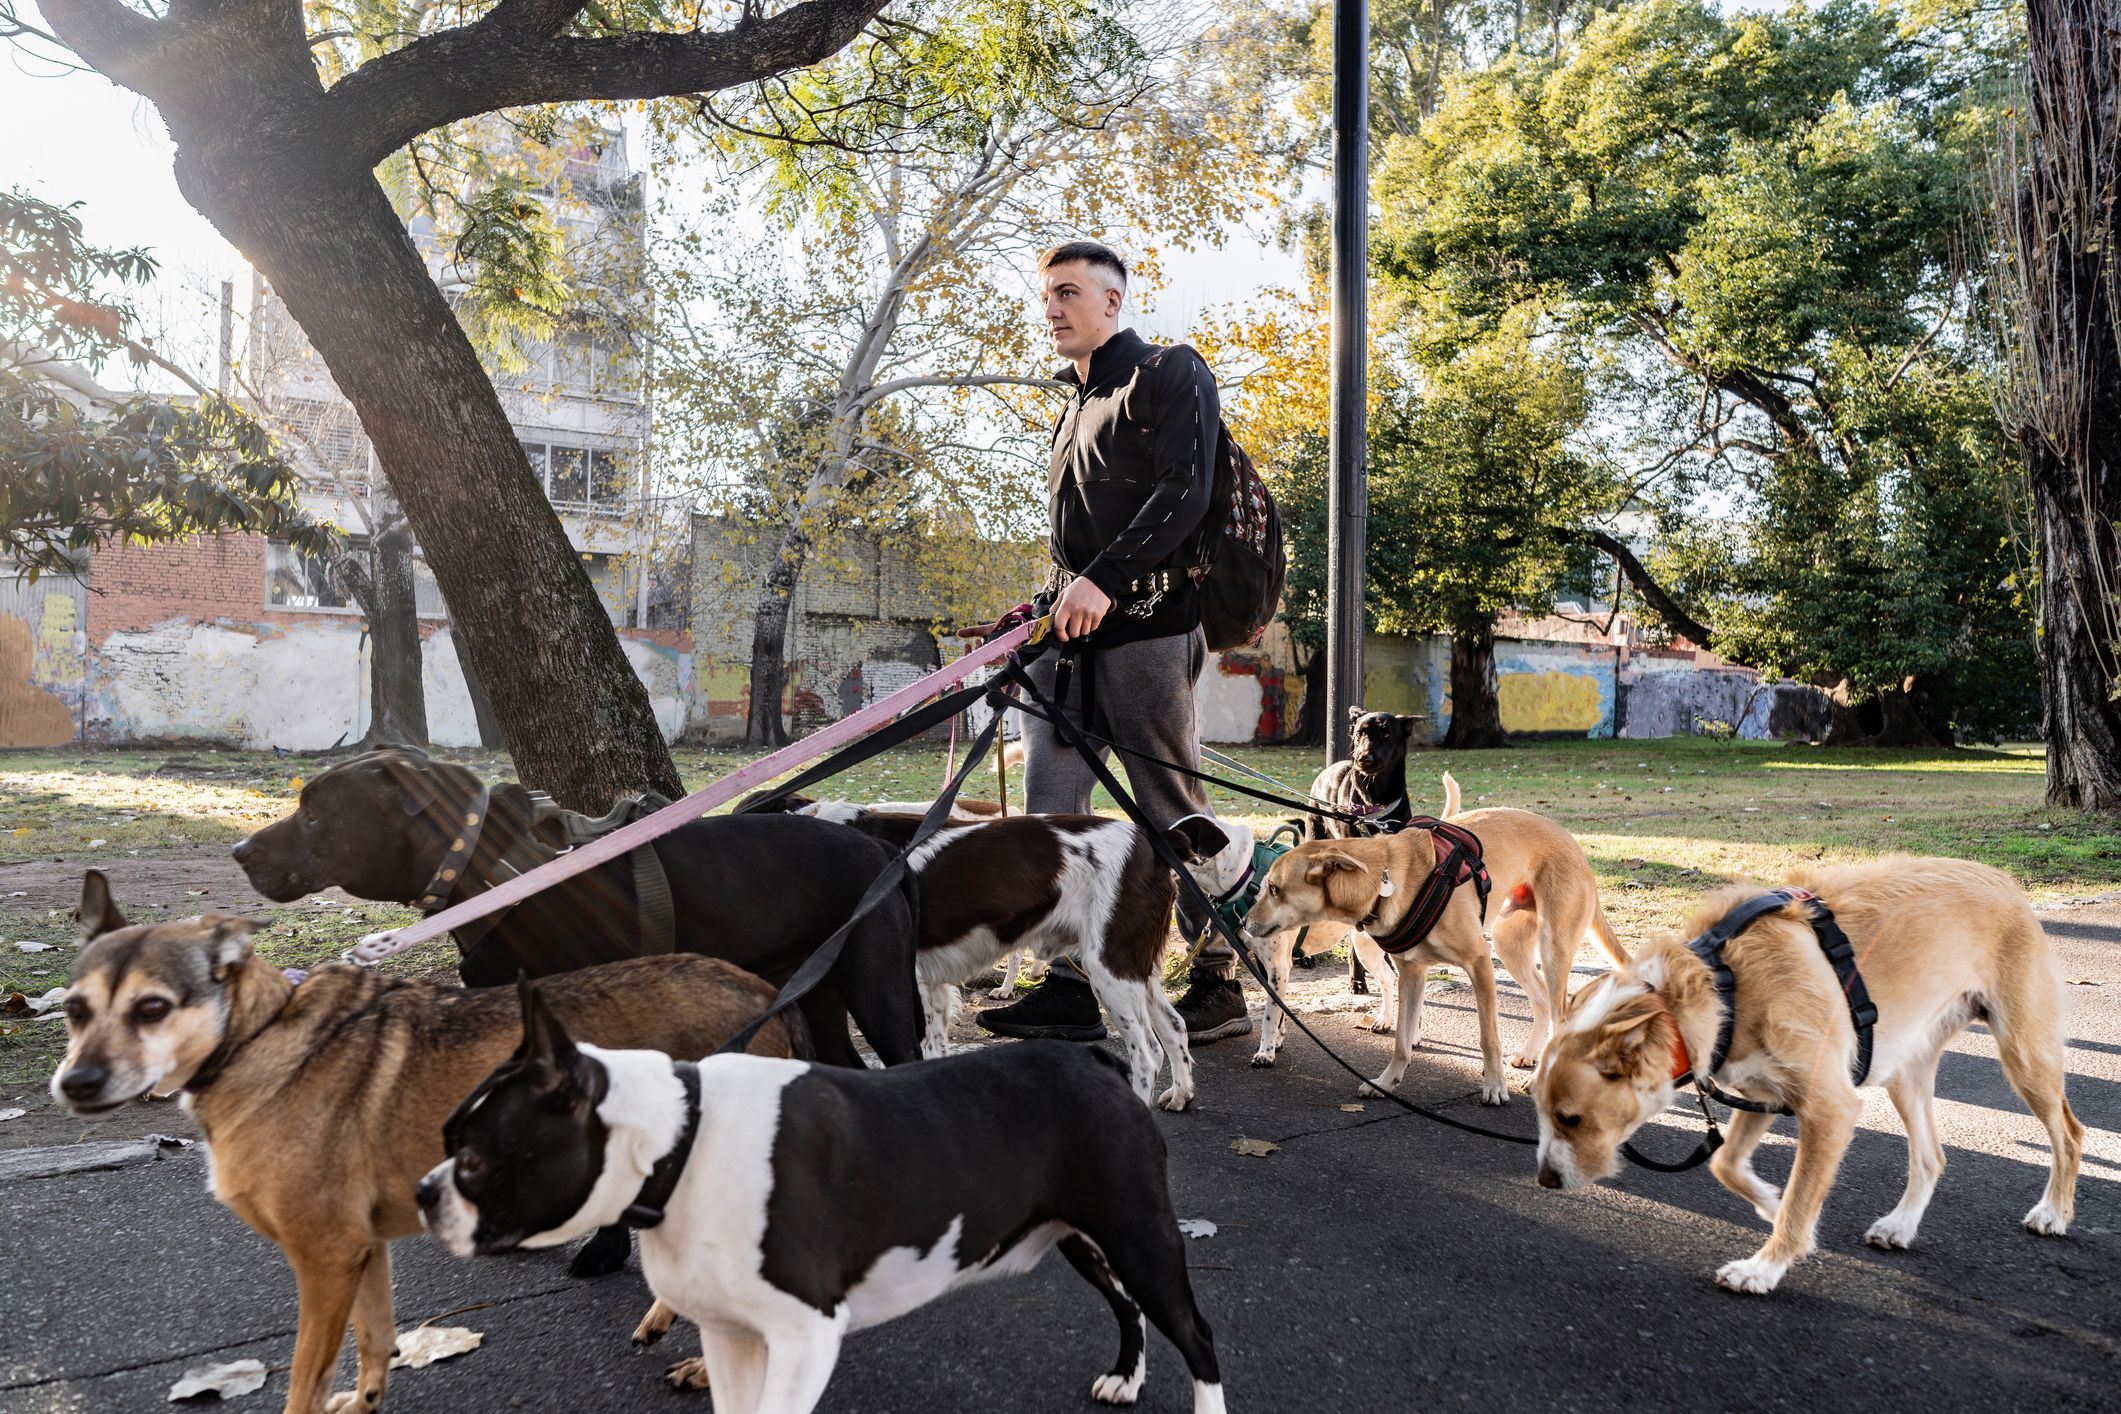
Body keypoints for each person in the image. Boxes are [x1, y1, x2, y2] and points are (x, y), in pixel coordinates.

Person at [977, 239, 1251, 1045]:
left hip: (1151, 631)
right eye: (1047, 296)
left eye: (1068, 292)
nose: (1053, 308)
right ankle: (1066, 982)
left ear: (1112, 302)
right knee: (1050, 811)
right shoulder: (1072, 402)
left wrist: (1104, 579)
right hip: (1070, 644)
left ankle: (1219, 977)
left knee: (1172, 812)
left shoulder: (1167, 372)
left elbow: (1185, 492)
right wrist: (1049, 600)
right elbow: (1079, 540)